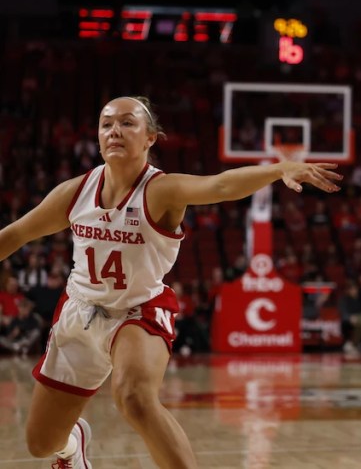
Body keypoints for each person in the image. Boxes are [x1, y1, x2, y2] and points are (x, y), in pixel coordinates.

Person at [0, 96, 342, 469]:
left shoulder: (160, 190)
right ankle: (72, 445)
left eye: (128, 123)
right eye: (106, 123)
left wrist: (279, 169)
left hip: (137, 310)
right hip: (79, 313)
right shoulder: (75, 192)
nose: (115, 130)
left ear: (150, 137)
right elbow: (14, 235)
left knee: (135, 399)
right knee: (40, 443)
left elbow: (221, 186)